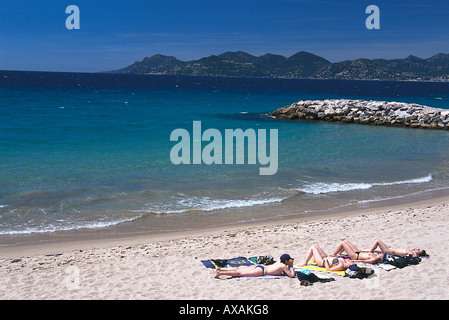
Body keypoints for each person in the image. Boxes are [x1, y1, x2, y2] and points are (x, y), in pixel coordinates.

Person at [213, 254, 296, 278]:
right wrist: (291, 266)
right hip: (261, 271)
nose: (290, 261)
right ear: (286, 261)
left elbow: (285, 269)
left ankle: (221, 270)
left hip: (260, 267)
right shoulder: (284, 266)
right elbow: (291, 275)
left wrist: (289, 265)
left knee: (240, 270)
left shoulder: (280, 262)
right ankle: (220, 273)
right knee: (239, 273)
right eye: (289, 260)